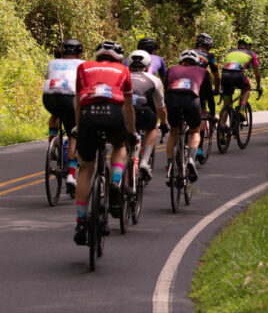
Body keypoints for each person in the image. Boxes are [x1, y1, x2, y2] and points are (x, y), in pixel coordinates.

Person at [73, 41, 137, 245]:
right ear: (118, 58)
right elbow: (128, 107)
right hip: (114, 113)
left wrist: (78, 127)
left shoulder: (83, 67)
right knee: (119, 145)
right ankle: (116, 182)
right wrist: (132, 132)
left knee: (86, 168)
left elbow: (78, 101)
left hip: (87, 113)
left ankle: (81, 221)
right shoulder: (124, 70)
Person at [164, 50, 212, 185]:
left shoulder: (171, 69)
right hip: (191, 100)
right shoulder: (202, 71)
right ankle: (191, 158)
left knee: (173, 132)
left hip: (171, 98)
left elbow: (166, 87)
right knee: (195, 131)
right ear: (197, 63)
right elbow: (208, 94)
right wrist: (212, 113)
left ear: (181, 61)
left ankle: (169, 168)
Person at [43, 38, 84, 192]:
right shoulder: (82, 64)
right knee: (74, 133)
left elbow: (49, 77)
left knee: (55, 115)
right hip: (70, 97)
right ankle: (71, 175)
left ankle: (53, 142)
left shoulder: (52, 62)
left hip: (49, 96)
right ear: (79, 53)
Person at [127, 50, 169, 180]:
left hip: (122, 112)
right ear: (147, 65)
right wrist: (164, 123)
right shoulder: (154, 79)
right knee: (153, 128)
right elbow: (160, 107)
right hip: (142, 111)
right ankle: (144, 160)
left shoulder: (122, 76)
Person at [219, 35, 262, 128]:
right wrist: (258, 86)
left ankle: (222, 128)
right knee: (247, 88)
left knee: (227, 105)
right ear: (247, 46)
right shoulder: (251, 54)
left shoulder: (230, 51)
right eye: (249, 46)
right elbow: (257, 74)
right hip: (238, 75)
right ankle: (242, 108)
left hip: (225, 76)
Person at [192, 33, 219, 160]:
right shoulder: (209, 56)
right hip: (200, 82)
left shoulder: (188, 52)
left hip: (183, 81)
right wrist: (217, 89)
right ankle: (198, 148)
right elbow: (217, 75)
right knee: (202, 113)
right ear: (208, 46)